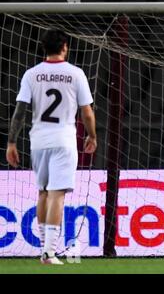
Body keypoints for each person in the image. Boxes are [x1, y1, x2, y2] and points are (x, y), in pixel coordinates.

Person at [6, 29, 97, 265]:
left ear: (43, 48)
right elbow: (87, 112)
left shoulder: (31, 74)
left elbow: (20, 111)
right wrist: (92, 135)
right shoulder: (76, 74)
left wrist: (11, 142)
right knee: (57, 194)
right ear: (65, 47)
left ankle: (44, 250)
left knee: (43, 192)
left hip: (38, 141)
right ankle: (49, 252)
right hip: (64, 140)